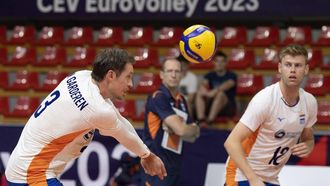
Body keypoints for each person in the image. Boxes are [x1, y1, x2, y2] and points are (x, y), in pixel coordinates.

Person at [5, 48, 167, 186]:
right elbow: (122, 133)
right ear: (111, 75)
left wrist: (145, 154)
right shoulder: (97, 109)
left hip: (23, 166)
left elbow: (120, 120)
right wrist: (147, 155)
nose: (131, 84)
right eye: (128, 76)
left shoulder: (82, 76)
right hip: (31, 173)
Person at [224, 44, 317, 186]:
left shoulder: (309, 102)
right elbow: (231, 142)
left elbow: (308, 137)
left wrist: (309, 145)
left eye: (298, 65)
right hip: (242, 174)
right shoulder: (265, 99)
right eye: (288, 65)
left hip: (271, 177)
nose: (292, 70)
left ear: (306, 69)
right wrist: (253, 179)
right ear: (280, 68)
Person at [141, 58, 200, 186]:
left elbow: (193, 136)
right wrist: (184, 129)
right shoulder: (158, 97)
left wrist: (190, 129)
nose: (173, 75)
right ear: (162, 74)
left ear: (182, 74)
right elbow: (182, 130)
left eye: (177, 71)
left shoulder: (182, 99)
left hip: (174, 167)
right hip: (156, 168)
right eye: (169, 71)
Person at [195, 51, 237, 126]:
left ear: (226, 63)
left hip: (227, 107)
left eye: (222, 61)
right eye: (217, 61)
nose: (219, 64)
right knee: (200, 92)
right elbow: (204, 84)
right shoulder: (209, 75)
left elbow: (227, 85)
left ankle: (209, 121)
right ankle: (201, 120)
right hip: (212, 104)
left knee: (220, 94)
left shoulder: (231, 75)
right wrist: (203, 89)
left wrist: (214, 91)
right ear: (214, 63)